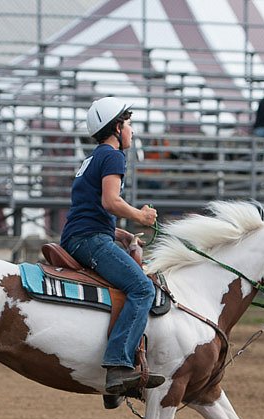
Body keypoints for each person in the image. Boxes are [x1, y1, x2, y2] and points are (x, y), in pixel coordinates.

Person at [60, 97, 165, 401]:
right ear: (116, 127)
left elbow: (90, 209)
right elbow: (110, 202)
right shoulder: (113, 156)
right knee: (143, 289)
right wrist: (141, 216)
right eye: (129, 123)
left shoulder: (92, 159)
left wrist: (120, 233)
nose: (132, 130)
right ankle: (119, 363)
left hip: (80, 237)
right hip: (91, 240)